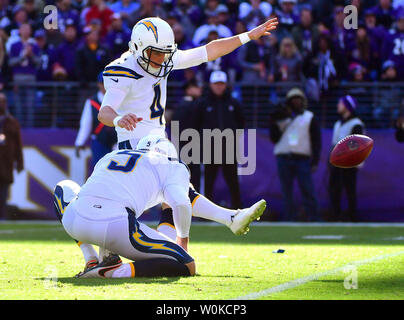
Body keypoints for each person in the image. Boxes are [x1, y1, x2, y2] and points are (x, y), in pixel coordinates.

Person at [93, 16, 277, 263]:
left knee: (176, 194)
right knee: (173, 192)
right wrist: (118, 119)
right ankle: (225, 221)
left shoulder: (164, 59)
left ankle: (181, 244)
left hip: (157, 140)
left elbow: (208, 51)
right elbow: (104, 111)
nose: (161, 59)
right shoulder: (122, 70)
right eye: (155, 53)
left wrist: (246, 37)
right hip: (134, 148)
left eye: (165, 53)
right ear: (137, 47)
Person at [54, 135, 266, 277]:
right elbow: (182, 203)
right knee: (187, 265)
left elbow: (98, 192)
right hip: (115, 225)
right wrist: (182, 239)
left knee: (63, 187)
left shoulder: (112, 155)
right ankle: (110, 272)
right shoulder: (172, 166)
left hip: (74, 220)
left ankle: (90, 258)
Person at [194, 71, 245, 209]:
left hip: (229, 149)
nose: (219, 87)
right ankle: (205, 214)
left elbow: (241, 123)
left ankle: (237, 211)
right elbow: (196, 125)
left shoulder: (233, 103)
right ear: (210, 85)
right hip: (210, 150)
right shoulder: (203, 103)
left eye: (221, 84)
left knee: (233, 182)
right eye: (216, 84)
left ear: (226, 85)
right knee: (208, 183)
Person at [269, 88, 321, 221]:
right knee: (286, 191)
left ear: (303, 101)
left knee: (307, 189)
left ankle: (314, 216)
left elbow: (316, 140)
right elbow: (273, 137)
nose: (296, 102)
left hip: (302, 158)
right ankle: (289, 218)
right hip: (284, 158)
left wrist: (315, 161)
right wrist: (276, 120)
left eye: (298, 99)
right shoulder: (282, 117)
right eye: (293, 100)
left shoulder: (309, 117)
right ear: (288, 102)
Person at [328, 95, 365, 222]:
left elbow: (357, 145)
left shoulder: (356, 124)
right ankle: (335, 216)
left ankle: (352, 217)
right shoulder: (338, 123)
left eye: (341, 104)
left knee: (350, 190)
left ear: (348, 106)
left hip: (349, 163)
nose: (338, 106)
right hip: (336, 163)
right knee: (334, 189)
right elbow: (334, 144)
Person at [75, 72, 117, 167]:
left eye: (108, 82)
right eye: (103, 83)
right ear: (98, 84)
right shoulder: (91, 102)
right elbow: (86, 124)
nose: (105, 86)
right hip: (99, 141)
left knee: (116, 170)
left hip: (117, 141)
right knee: (99, 168)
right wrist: (79, 142)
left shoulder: (120, 100)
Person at [0, 93, 24, 220]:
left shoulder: (12, 122)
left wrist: (20, 162)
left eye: (3, 101)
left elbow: (18, 144)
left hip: (6, 162)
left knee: (3, 191)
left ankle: (2, 216)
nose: (1, 104)